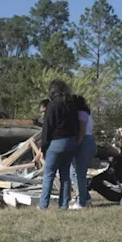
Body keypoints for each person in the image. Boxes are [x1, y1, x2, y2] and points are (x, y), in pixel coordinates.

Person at [38, 80, 79, 210]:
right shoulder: (72, 105)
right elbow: (77, 125)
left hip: (56, 142)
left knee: (49, 174)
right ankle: (64, 205)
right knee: (65, 175)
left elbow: (47, 128)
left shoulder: (52, 105)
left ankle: (43, 205)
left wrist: (43, 147)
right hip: (71, 141)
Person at [71, 96, 96, 208]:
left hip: (84, 142)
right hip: (87, 141)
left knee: (80, 174)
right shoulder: (87, 114)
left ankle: (81, 202)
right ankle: (86, 197)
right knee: (72, 172)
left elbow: (82, 133)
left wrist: (75, 145)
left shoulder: (81, 114)